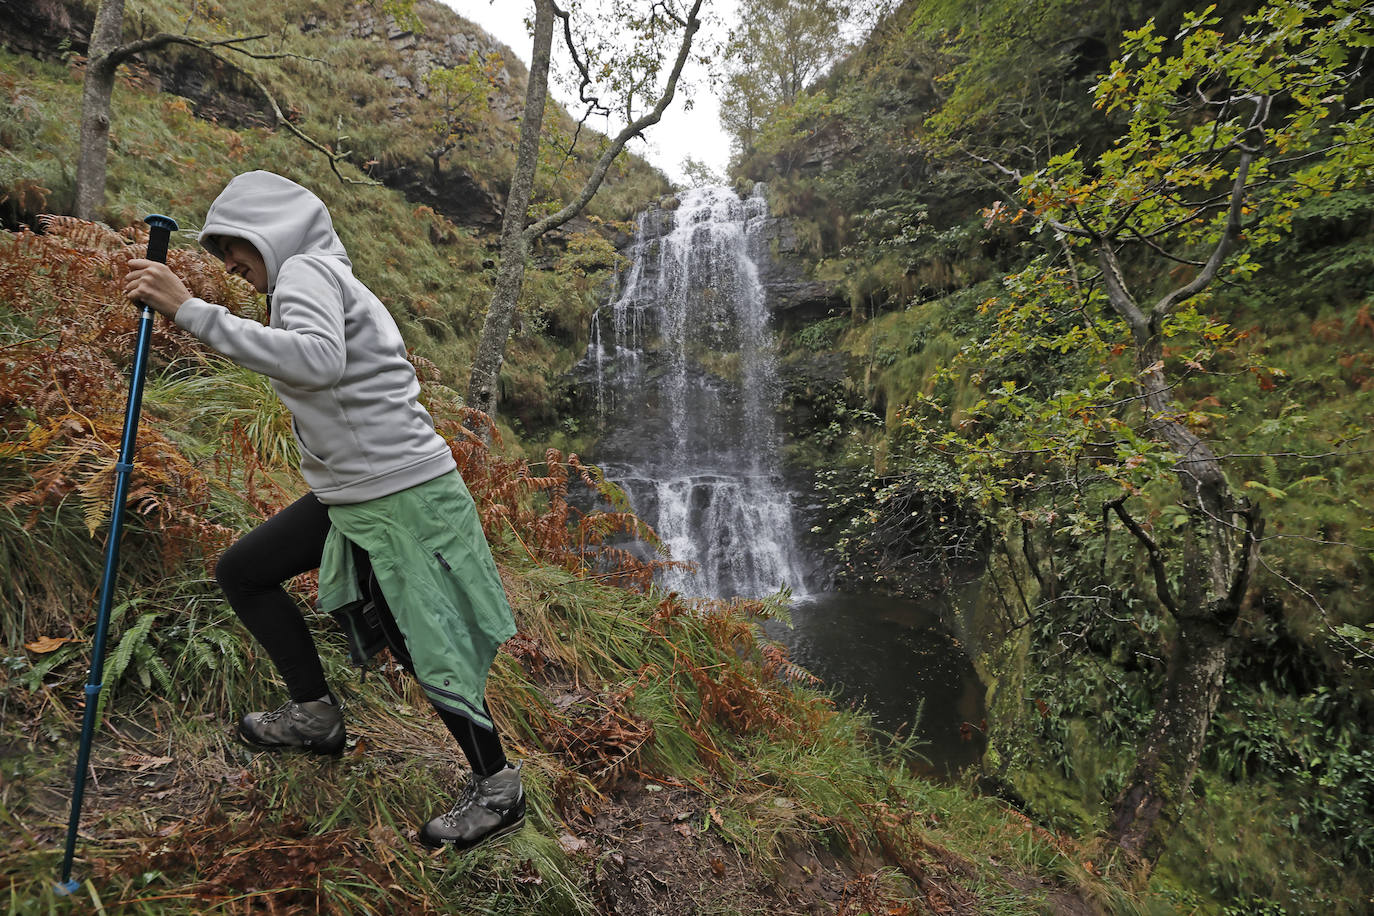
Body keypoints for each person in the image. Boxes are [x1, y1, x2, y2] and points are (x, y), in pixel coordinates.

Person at [122, 170, 523, 850]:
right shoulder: (311, 277)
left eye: (236, 249)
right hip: (355, 491)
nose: (233, 267)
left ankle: (499, 788)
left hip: (398, 492)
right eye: (223, 255)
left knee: (422, 643)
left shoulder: (307, 272)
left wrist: (190, 309)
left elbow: (315, 361)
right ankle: (316, 716)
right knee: (246, 570)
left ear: (268, 231)